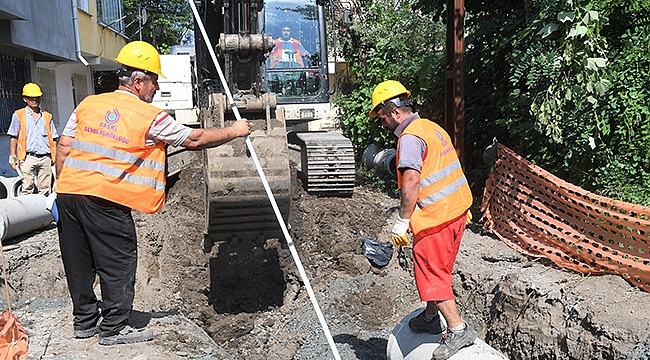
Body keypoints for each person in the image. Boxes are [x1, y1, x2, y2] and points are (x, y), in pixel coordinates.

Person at [54, 41, 250, 346]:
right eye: (154, 81)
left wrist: (59, 190)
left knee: (77, 261)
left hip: (68, 193)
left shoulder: (88, 104)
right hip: (105, 198)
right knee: (116, 260)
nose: (156, 89)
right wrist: (235, 131)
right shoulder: (149, 116)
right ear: (138, 81)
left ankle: (85, 322)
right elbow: (194, 139)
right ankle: (115, 327)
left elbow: (64, 146)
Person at [369, 80, 477, 360]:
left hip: (436, 217)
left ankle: (457, 329)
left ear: (393, 111)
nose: (381, 122)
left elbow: (412, 181)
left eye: (381, 116)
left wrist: (403, 220)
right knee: (440, 268)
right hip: (457, 211)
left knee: (431, 273)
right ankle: (430, 316)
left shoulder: (409, 139)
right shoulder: (430, 127)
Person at [8, 83, 59, 195]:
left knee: (45, 189)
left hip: (45, 157)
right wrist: (13, 155)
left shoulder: (47, 116)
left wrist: (54, 157)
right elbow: (14, 136)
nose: (35, 100)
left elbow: (54, 138)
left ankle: (43, 211)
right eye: (31, 98)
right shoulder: (18, 115)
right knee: (27, 187)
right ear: (25, 99)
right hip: (27, 157)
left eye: (37, 98)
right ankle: (27, 210)